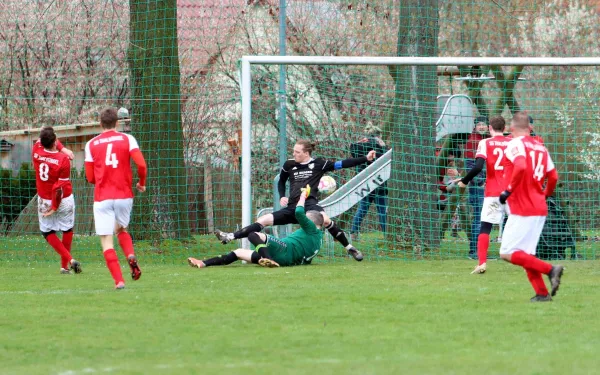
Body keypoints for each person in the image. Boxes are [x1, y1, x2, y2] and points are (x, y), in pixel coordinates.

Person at [215, 139, 376, 261]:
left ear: (306, 153)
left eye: (297, 152)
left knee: (326, 220)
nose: (294, 154)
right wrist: (282, 196)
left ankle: (349, 248)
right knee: (263, 220)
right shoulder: (289, 165)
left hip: (310, 205)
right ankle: (230, 236)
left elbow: (343, 163)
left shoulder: (319, 163)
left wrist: (365, 158)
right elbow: (281, 181)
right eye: (293, 151)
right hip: (292, 207)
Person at [497, 111, 563, 302]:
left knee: (507, 253)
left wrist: (508, 191)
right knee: (526, 254)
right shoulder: (541, 148)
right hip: (539, 206)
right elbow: (554, 177)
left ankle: (550, 270)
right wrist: (544, 195)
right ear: (530, 128)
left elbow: (521, 166)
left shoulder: (515, 144)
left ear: (511, 128)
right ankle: (542, 294)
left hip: (522, 206)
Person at [84, 107, 147, 289]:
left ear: (100, 123)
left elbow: (89, 178)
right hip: (124, 195)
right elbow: (141, 165)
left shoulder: (91, 144)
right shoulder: (128, 139)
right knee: (121, 229)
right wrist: (141, 182)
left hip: (103, 197)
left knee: (106, 240)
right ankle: (130, 255)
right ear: (117, 123)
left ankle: (119, 281)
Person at [189, 185, 323, 268]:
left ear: (312, 221)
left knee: (253, 235)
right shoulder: (318, 239)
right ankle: (203, 263)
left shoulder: (311, 229)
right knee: (238, 253)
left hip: (284, 250)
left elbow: (299, 211)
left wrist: (303, 197)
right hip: (285, 259)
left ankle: (268, 259)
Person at [455, 116, 510, 274]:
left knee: (485, 227)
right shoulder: (512, 143)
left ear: (490, 128)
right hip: (511, 192)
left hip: (493, 193)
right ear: (504, 128)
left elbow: (478, 166)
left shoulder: (484, 143)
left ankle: (482, 263)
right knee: (517, 224)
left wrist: (465, 180)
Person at [32, 127, 82, 274]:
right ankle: (65, 266)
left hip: (44, 200)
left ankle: (70, 260)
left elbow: (43, 139)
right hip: (63, 199)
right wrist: (55, 206)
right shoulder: (63, 160)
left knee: (47, 232)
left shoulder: (36, 150)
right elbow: (59, 188)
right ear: (55, 141)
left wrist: (63, 148)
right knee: (67, 230)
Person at [350, 123, 389, 237]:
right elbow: (386, 159)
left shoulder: (359, 146)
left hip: (364, 183)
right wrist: (384, 146)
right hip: (379, 184)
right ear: (378, 136)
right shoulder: (379, 147)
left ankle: (354, 232)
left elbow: (354, 153)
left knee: (362, 208)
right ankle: (386, 234)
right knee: (382, 210)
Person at [463, 116, 488, 259]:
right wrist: (480, 182)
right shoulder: (473, 142)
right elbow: (470, 167)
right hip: (479, 187)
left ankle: (479, 250)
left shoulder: (486, 140)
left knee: (483, 218)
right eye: (479, 125)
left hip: (486, 185)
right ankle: (474, 251)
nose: (482, 127)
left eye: (484, 124)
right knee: (479, 218)